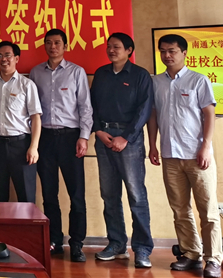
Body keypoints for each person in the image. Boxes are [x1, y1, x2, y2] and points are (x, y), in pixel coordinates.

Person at [148, 34, 223, 278]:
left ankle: (213, 259)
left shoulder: (198, 80)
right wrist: (152, 145)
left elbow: (209, 114)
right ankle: (191, 253)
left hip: (197, 155)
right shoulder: (156, 82)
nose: (167, 55)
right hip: (170, 155)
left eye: (172, 51)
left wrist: (206, 146)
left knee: (208, 210)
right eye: (163, 51)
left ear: (184, 53)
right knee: (180, 209)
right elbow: (153, 115)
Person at [90, 32, 154, 268]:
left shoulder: (140, 75)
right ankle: (117, 244)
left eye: (116, 47)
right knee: (109, 194)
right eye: (109, 46)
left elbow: (145, 109)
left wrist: (126, 137)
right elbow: (91, 105)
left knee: (136, 195)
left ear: (129, 50)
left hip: (129, 140)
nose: (111, 50)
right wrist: (98, 130)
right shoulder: (101, 73)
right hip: (104, 138)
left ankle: (142, 249)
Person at [29, 29, 93, 262]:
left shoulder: (76, 72)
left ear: (65, 46)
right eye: (48, 42)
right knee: (49, 194)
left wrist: (84, 137)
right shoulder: (36, 72)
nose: (52, 46)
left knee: (77, 194)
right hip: (45, 138)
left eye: (57, 42)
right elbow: (31, 108)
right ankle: (54, 240)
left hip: (70, 138)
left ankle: (76, 244)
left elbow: (85, 107)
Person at [0, 41, 41, 203]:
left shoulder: (27, 85)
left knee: (26, 197)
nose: (3, 59)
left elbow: (35, 117)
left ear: (16, 58)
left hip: (21, 145)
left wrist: (33, 147)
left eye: (7, 55)